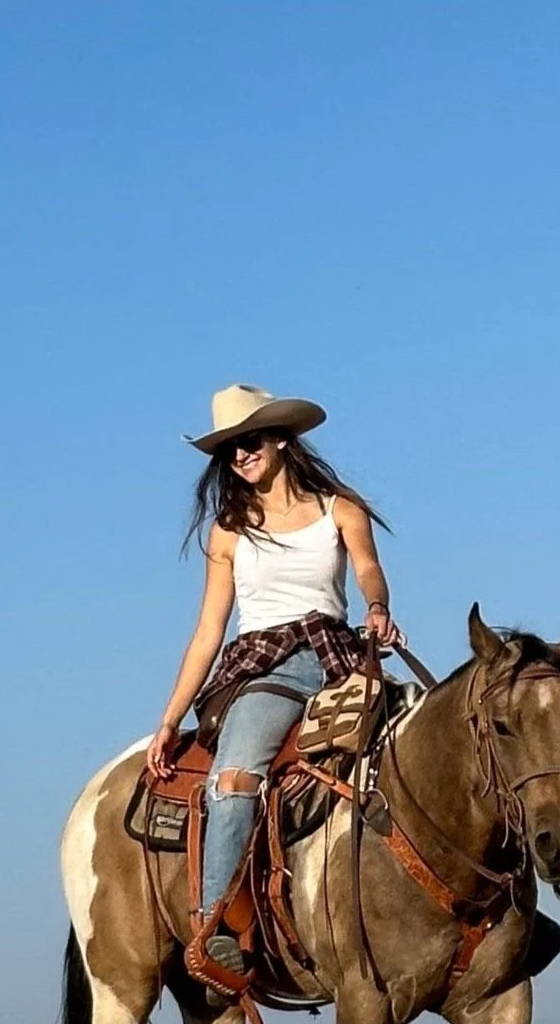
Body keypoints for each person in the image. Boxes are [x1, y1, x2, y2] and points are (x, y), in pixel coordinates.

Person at [148, 384, 404, 990]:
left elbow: (368, 569)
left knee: (438, 731)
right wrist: (168, 719)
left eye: (251, 440)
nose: (240, 454)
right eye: (229, 448)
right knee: (234, 779)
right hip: (267, 667)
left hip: (340, 652)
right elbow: (209, 629)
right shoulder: (229, 532)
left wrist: (376, 607)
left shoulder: (341, 509)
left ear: (283, 439)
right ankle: (214, 930)